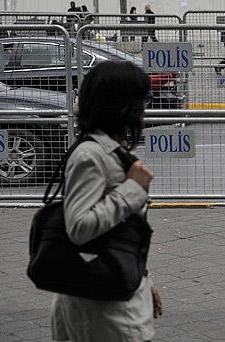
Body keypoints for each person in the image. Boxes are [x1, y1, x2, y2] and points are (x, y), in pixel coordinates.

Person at [51, 60, 162, 341]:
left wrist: (143, 278)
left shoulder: (109, 150)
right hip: (100, 308)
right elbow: (79, 227)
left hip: (115, 290)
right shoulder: (90, 155)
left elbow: (121, 232)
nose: (143, 109)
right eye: (140, 101)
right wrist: (132, 189)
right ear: (120, 104)